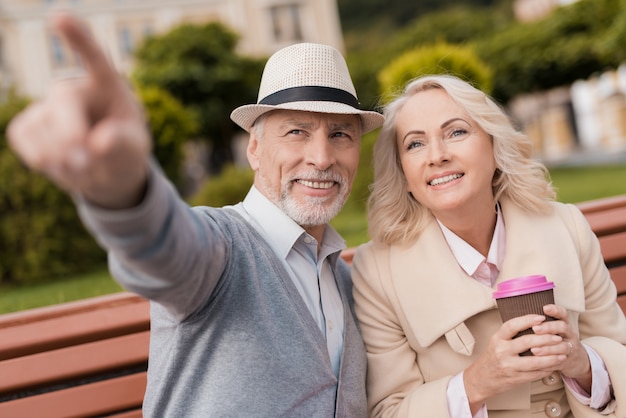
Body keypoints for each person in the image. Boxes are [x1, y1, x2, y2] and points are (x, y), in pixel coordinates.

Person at [7, 13, 385, 417]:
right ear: (254, 150)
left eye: (340, 134)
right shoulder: (221, 247)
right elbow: (165, 249)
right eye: (297, 131)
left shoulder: (344, 279)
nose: (322, 157)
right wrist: (125, 191)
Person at [351, 74, 626, 417]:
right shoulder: (377, 272)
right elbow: (387, 411)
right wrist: (476, 384)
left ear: (496, 148)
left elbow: (619, 352)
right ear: (403, 174)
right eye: (415, 144)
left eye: (456, 132)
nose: (437, 156)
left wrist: (581, 363)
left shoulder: (566, 227)